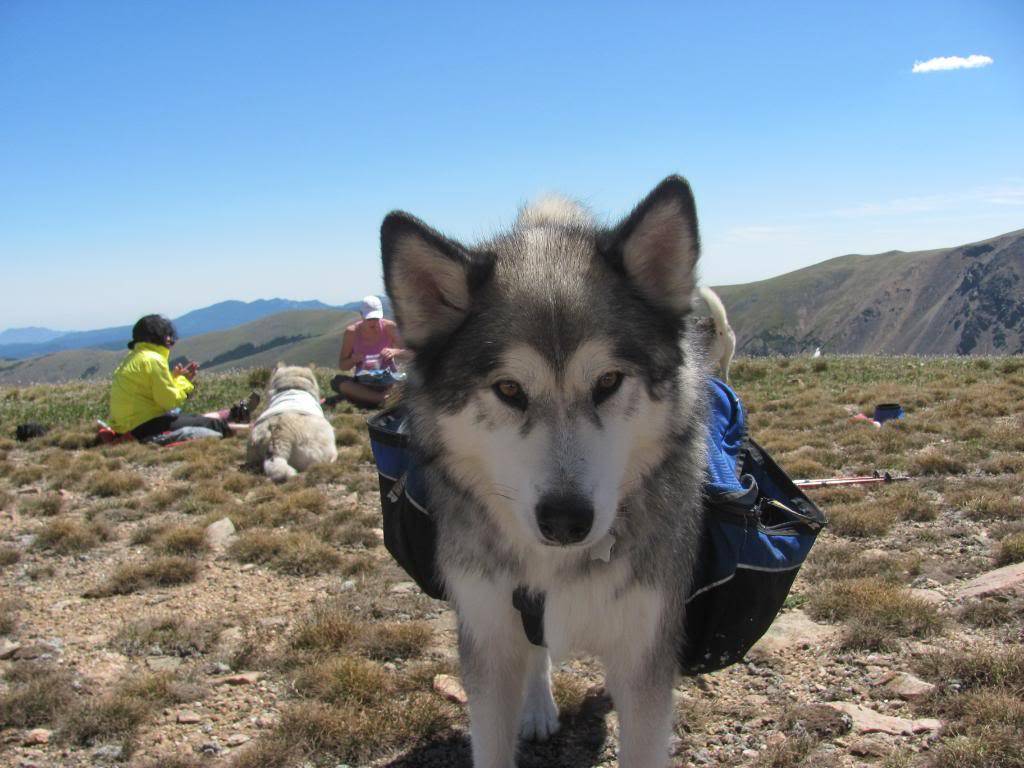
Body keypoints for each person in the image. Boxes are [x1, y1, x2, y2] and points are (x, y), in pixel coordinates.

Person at [108, 314, 233, 442]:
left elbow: (150, 394)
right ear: (159, 336)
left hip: (125, 426)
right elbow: (169, 402)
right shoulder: (153, 360)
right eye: (167, 335)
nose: (170, 340)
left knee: (192, 418)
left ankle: (229, 415)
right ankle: (243, 426)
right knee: (213, 425)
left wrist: (173, 378)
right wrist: (183, 380)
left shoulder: (133, 357)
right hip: (143, 427)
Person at [330, 295, 407, 407]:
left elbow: (412, 353)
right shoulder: (352, 332)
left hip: (388, 380)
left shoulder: (389, 327)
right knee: (338, 382)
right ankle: (382, 399)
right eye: (369, 319)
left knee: (410, 380)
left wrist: (396, 352)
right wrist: (353, 359)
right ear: (362, 315)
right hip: (364, 381)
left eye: (376, 319)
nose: (373, 323)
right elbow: (343, 365)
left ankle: (372, 399)